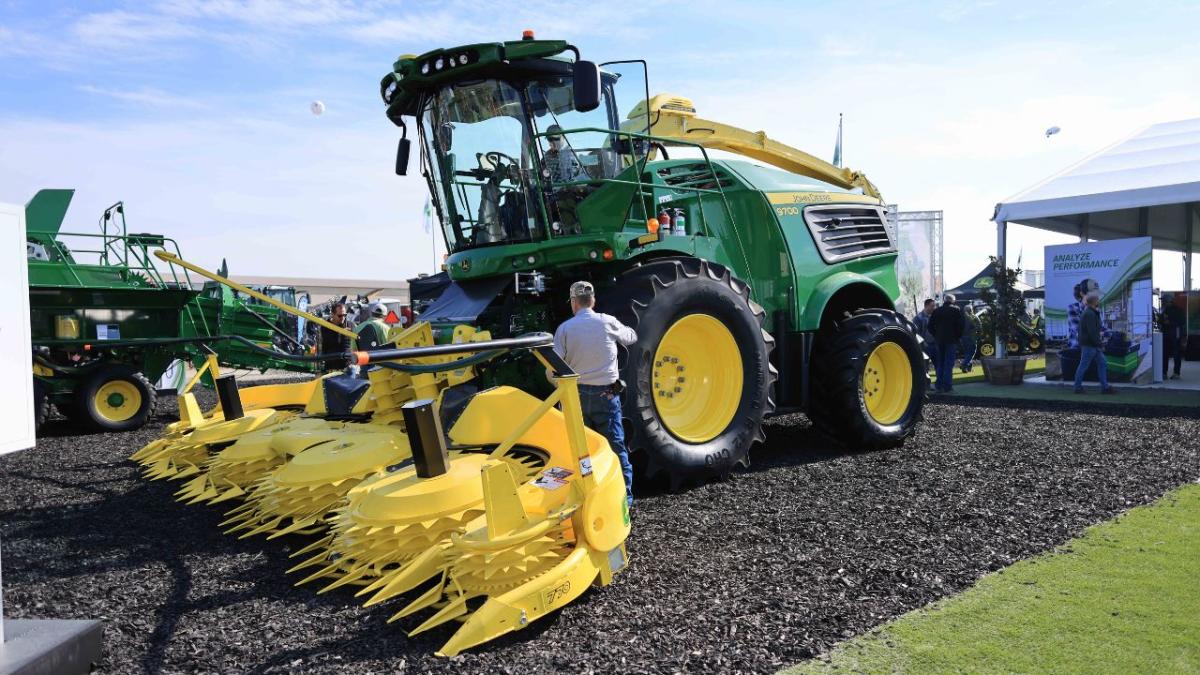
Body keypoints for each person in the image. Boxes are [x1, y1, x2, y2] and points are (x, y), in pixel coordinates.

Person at [552, 281, 636, 508]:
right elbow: (631, 337)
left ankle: (589, 497)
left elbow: (552, 371)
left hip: (576, 397)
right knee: (616, 447)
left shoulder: (564, 330)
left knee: (582, 451)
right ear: (593, 301)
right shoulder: (607, 322)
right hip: (606, 396)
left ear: (573, 303)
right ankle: (624, 500)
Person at [1074, 292, 1116, 394]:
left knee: (1102, 363)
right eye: (1097, 300)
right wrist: (1099, 344)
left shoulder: (1089, 312)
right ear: (1094, 301)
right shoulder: (1089, 313)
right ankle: (1078, 388)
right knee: (1084, 365)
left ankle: (1105, 387)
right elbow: (1092, 332)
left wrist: (1098, 342)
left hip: (1091, 344)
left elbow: (1093, 331)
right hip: (1090, 345)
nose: (1099, 301)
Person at [929, 294, 965, 393]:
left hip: (939, 340)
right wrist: (957, 337)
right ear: (953, 301)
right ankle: (947, 386)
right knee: (949, 364)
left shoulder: (937, 311)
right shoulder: (956, 310)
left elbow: (930, 326)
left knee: (940, 363)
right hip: (951, 340)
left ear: (944, 300)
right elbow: (961, 326)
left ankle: (938, 386)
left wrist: (936, 335)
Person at [319, 301, 355, 368]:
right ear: (332, 314)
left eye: (344, 315)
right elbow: (326, 342)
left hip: (348, 364)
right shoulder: (325, 326)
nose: (343, 318)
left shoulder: (350, 325)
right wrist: (340, 333)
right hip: (331, 363)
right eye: (340, 315)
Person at [1163, 296, 1186, 380]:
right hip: (1167, 334)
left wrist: (1169, 322)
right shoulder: (1165, 310)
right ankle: (1164, 373)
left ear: (1170, 301)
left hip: (1175, 334)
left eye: (1165, 301)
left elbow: (1182, 321)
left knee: (1176, 354)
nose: (1164, 303)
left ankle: (1175, 373)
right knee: (1165, 354)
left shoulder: (1178, 310)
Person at [913, 299, 937, 371]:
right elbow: (916, 333)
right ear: (926, 306)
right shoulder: (918, 318)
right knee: (924, 367)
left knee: (939, 365)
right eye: (932, 306)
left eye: (934, 306)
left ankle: (940, 382)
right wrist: (923, 343)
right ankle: (926, 382)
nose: (934, 307)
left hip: (935, 345)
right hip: (924, 346)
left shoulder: (935, 316)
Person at [960, 304, 980, 373]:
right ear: (971, 310)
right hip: (972, 337)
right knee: (972, 352)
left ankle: (967, 368)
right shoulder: (974, 317)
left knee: (966, 353)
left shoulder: (961, 318)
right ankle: (964, 364)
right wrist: (978, 336)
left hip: (963, 337)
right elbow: (979, 328)